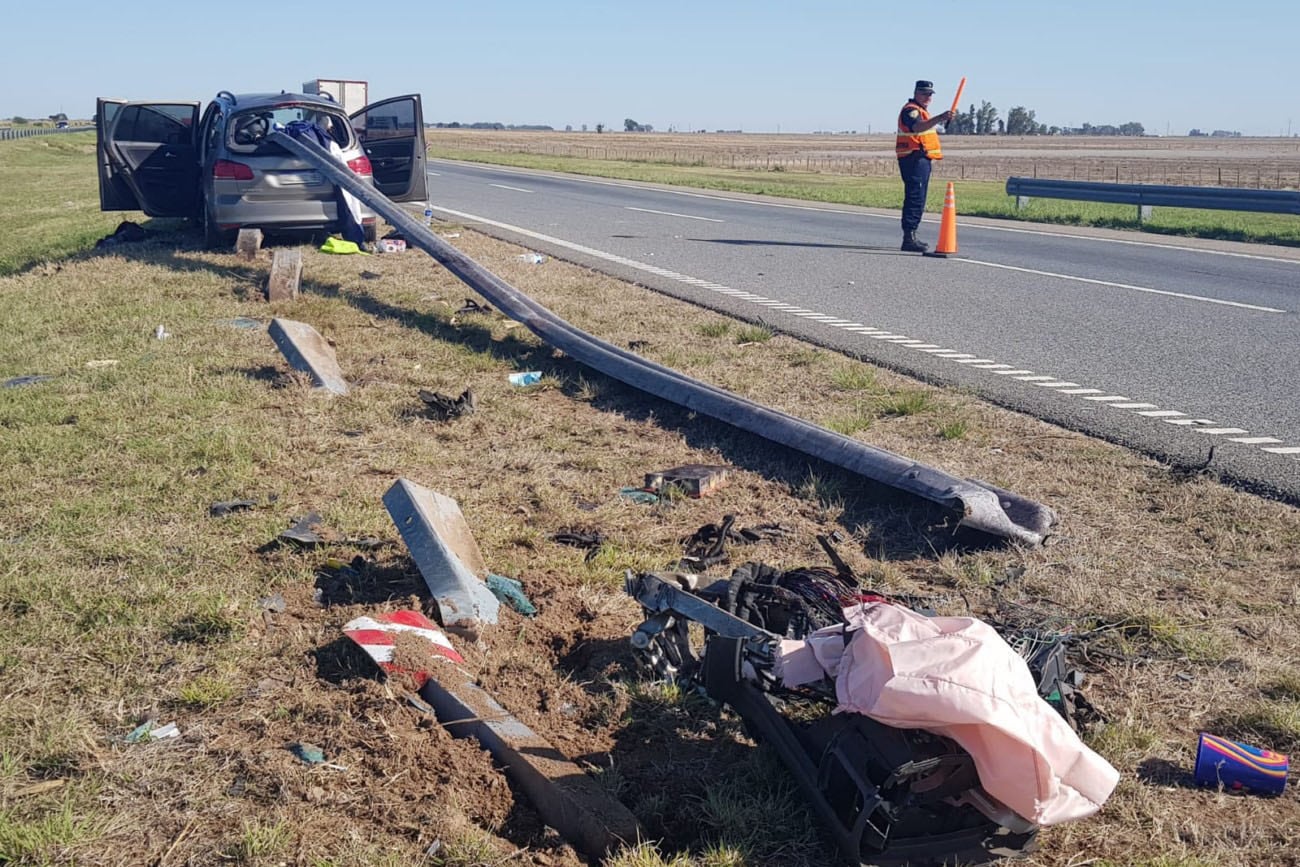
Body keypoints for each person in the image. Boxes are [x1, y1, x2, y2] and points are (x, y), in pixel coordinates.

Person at [896, 80, 955, 253]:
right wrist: (940, 117)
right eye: (924, 93)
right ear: (916, 93)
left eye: (930, 94)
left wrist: (943, 120)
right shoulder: (911, 110)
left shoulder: (923, 112)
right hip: (913, 157)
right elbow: (917, 127)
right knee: (915, 197)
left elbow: (931, 129)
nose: (928, 97)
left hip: (921, 158)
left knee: (918, 197)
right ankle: (909, 238)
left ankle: (911, 235)